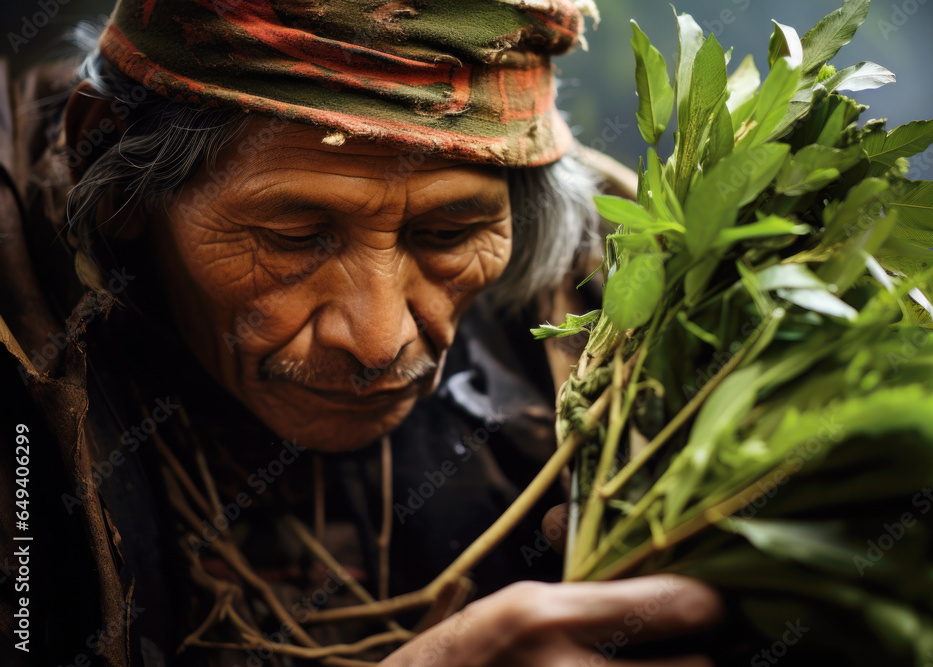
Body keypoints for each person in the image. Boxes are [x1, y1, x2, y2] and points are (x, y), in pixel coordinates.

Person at [0, 1, 723, 665]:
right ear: (110, 172)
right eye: (293, 237)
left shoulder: (638, 300)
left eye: (447, 235)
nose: (380, 343)